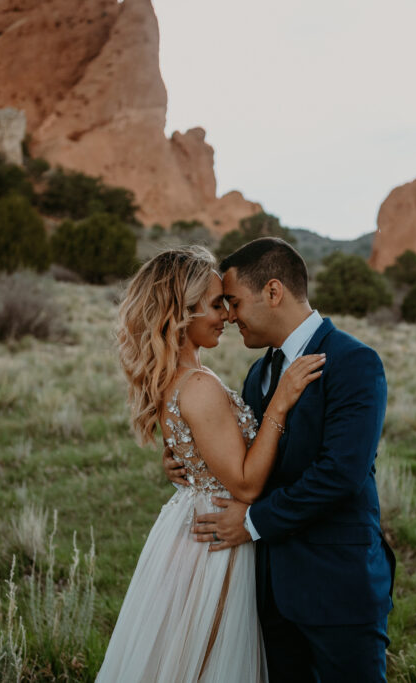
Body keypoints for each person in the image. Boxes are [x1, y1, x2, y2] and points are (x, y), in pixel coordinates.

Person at [166, 237, 395, 682]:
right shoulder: (259, 373)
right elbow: (249, 459)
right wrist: (187, 462)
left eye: (232, 301)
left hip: (337, 584)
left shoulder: (353, 362)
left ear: (273, 292)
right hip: (267, 589)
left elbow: (340, 474)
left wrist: (252, 522)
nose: (228, 316)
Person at [96, 246, 325, 682]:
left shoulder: (180, 379)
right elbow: (245, 486)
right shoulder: (199, 385)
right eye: (217, 304)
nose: (227, 315)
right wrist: (280, 402)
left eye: (228, 302)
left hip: (197, 524)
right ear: (183, 311)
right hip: (215, 536)